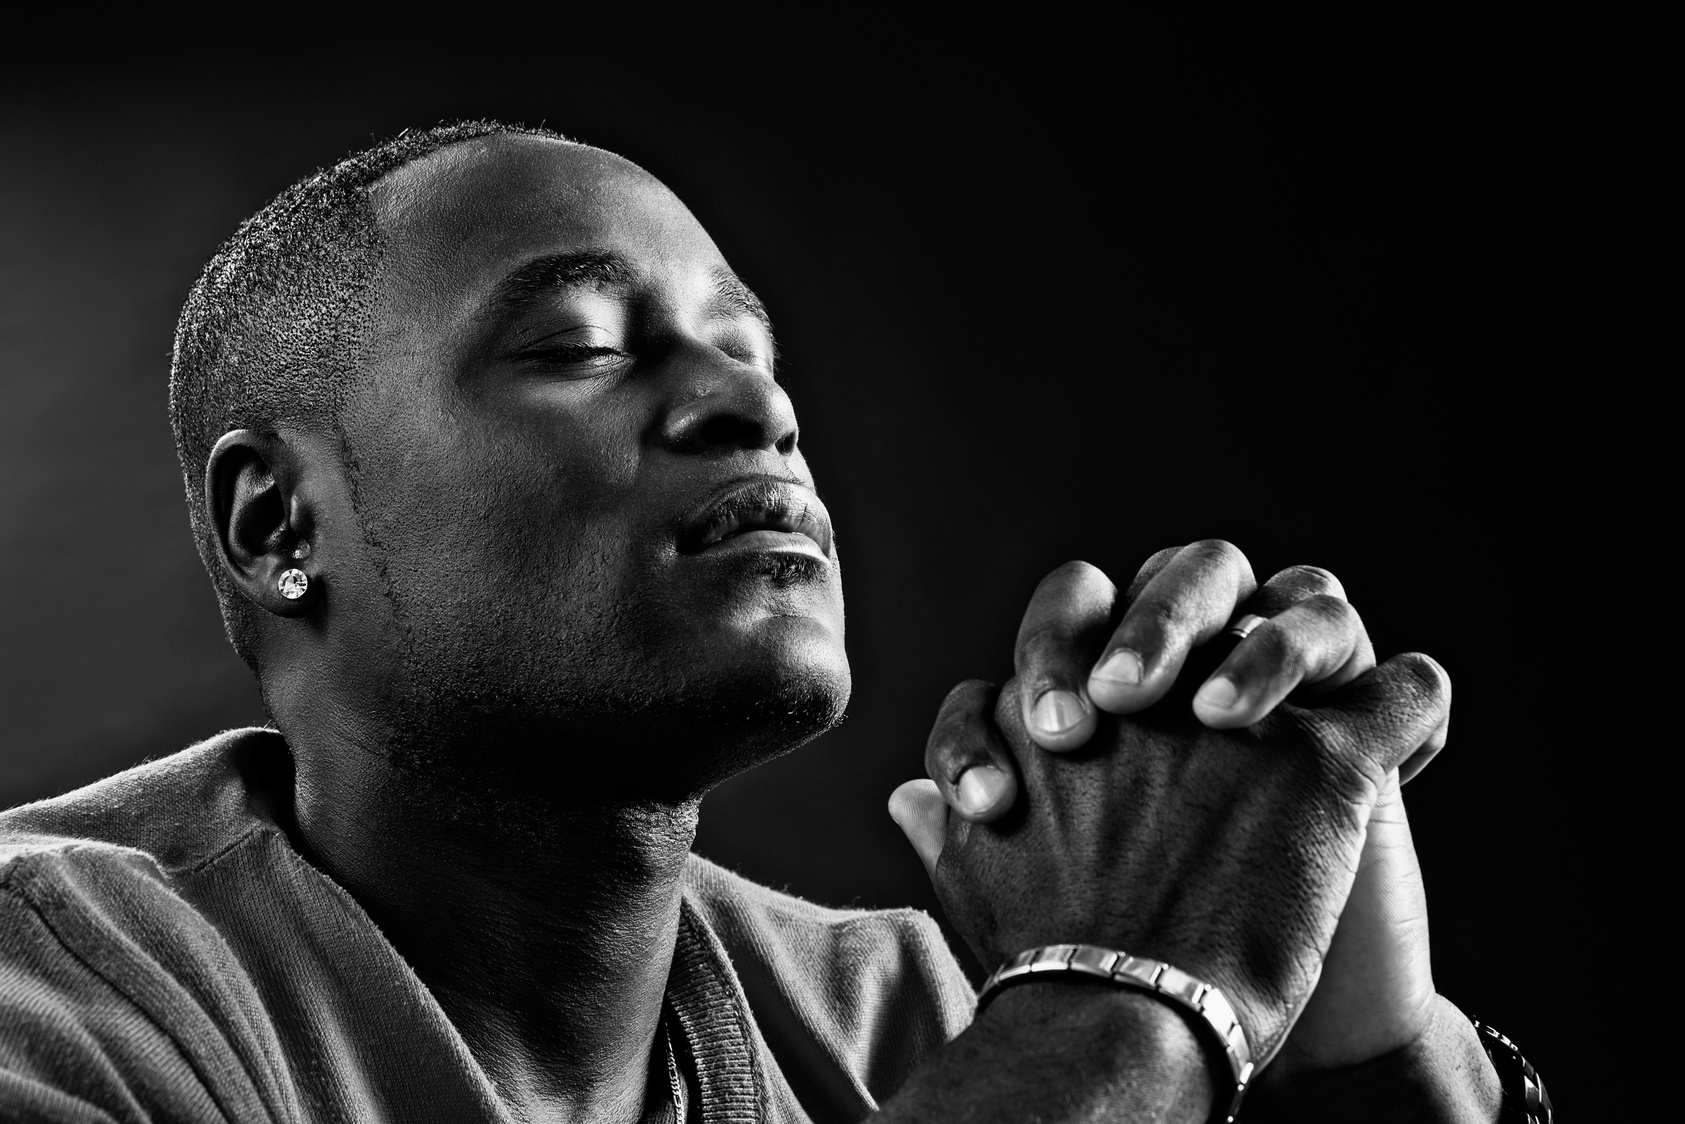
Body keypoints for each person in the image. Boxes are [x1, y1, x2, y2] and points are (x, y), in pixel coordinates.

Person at [0, 121, 1539, 1123]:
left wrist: (1361, 1040)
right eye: (581, 346)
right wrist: (1120, 1009)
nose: (752, 405)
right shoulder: (56, 995)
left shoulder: (910, 1022)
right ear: (280, 525)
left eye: (750, 350)